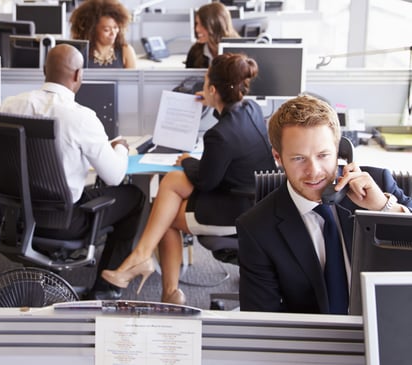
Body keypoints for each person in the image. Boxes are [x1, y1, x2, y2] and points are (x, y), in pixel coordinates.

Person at [102, 53, 276, 305]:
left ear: (213, 89)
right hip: (253, 199)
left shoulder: (220, 135)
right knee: (171, 183)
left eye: (205, 83)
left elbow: (206, 181)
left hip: (234, 211)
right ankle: (148, 266)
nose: (202, 88)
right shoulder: (251, 110)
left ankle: (164, 286)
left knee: (165, 217)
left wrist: (187, 160)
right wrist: (208, 103)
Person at [237, 95, 412, 314]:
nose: (314, 171)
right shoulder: (256, 228)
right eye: (299, 158)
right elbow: (262, 320)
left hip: (393, 323)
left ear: (341, 151)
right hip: (315, 339)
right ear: (278, 157)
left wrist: (385, 209)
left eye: (323, 155)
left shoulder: (378, 185)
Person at [0, 44, 146, 300]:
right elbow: (114, 177)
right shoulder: (81, 117)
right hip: (63, 224)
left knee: (83, 190)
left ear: (44, 70)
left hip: (16, 218)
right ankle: (105, 287)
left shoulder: (9, 106)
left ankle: (37, 273)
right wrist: (120, 149)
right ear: (78, 75)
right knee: (134, 195)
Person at [69, 0, 137, 69]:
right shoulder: (79, 52)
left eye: (116, 27)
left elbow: (134, 79)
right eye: (106, 30)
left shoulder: (126, 51)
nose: (113, 33)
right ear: (92, 30)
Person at [185, 2, 240, 69]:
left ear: (215, 26)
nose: (197, 29)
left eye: (202, 25)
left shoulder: (237, 52)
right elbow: (189, 78)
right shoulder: (195, 51)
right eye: (197, 23)